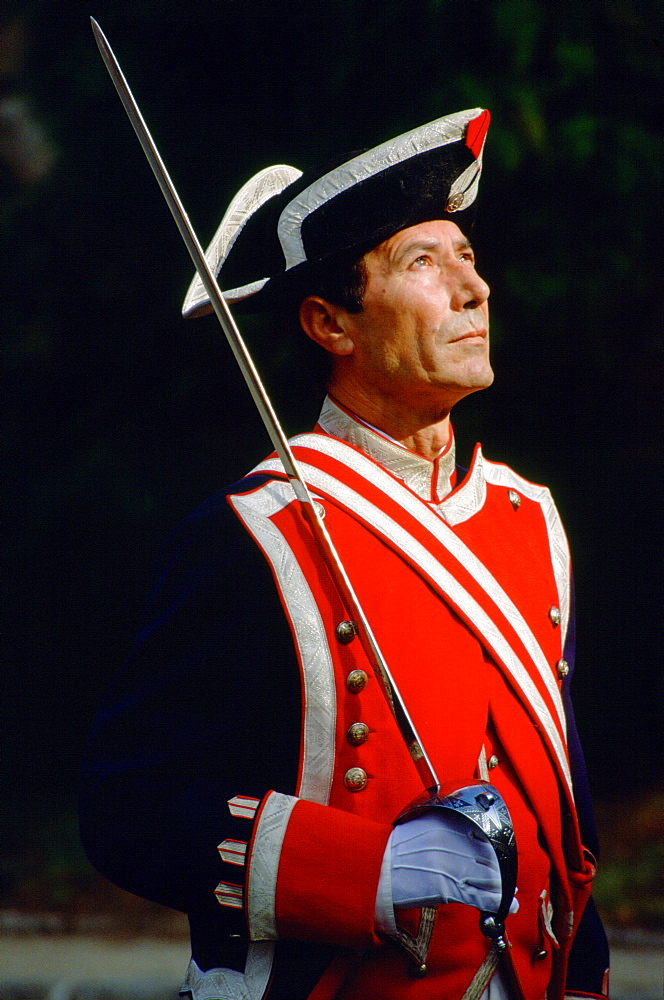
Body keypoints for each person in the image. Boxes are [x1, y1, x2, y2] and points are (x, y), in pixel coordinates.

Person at [80, 108, 610, 1000]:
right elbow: (127, 808)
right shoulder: (251, 535)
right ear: (330, 324)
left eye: (468, 258)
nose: (472, 289)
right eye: (423, 263)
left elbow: (566, 797)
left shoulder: (531, 520)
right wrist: (362, 871)